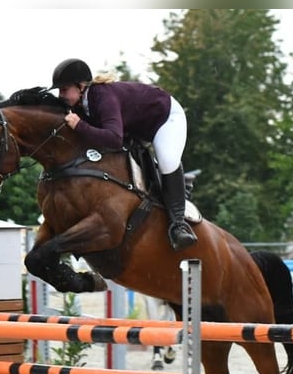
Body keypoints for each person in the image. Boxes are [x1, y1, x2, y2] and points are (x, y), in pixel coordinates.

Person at [50, 57, 197, 252]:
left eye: (64, 89)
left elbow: (113, 139)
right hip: (137, 127)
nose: (61, 95)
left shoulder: (102, 97)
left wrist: (80, 126)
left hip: (165, 119)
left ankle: (178, 225)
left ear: (80, 86)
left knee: (167, 160)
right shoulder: (80, 103)